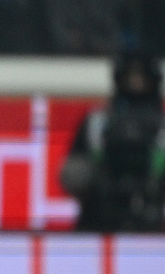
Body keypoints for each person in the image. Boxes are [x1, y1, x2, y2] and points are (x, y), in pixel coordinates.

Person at [60, 50, 165, 230]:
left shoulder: (161, 127)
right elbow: (72, 173)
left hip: (151, 218)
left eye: (141, 77)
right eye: (130, 76)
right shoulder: (97, 123)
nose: (135, 82)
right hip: (99, 216)